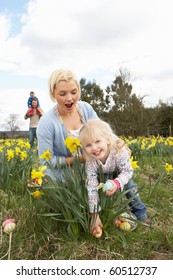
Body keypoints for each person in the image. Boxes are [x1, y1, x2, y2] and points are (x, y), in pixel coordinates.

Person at [78, 119, 150, 234]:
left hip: (120, 173)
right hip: (103, 176)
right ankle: (110, 213)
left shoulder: (118, 151)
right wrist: (94, 214)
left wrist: (117, 183)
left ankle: (140, 213)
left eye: (97, 141)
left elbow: (127, 171)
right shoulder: (91, 162)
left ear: (107, 139)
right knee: (103, 192)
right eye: (88, 145)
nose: (94, 148)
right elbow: (91, 188)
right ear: (84, 148)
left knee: (130, 188)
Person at [37, 69, 99, 180]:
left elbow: (104, 133)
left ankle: (133, 197)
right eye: (62, 94)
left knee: (119, 161)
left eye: (74, 92)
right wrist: (80, 159)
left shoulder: (86, 109)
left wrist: (119, 144)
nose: (69, 98)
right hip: (64, 173)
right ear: (53, 94)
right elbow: (47, 161)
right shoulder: (46, 122)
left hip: (92, 165)